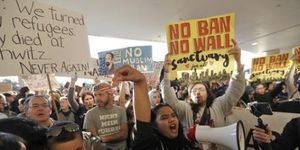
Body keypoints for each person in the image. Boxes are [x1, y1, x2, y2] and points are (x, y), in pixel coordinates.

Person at [161, 39, 245, 132]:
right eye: (193, 91)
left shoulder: (219, 105)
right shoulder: (184, 108)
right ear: (189, 96)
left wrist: (238, 62)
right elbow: (169, 99)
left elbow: (235, 90)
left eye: (201, 89)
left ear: (208, 93)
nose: (197, 92)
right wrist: (166, 73)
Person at [112, 65, 195, 150]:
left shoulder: (185, 144)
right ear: (155, 125)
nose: (171, 119)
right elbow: (143, 129)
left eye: (173, 115)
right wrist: (140, 81)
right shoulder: (152, 145)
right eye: (164, 118)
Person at [83, 82, 128, 149]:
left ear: (110, 94)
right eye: (95, 95)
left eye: (100, 95)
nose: (97, 98)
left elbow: (124, 134)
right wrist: (116, 136)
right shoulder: (90, 114)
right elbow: (95, 140)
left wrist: (104, 138)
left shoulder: (121, 110)